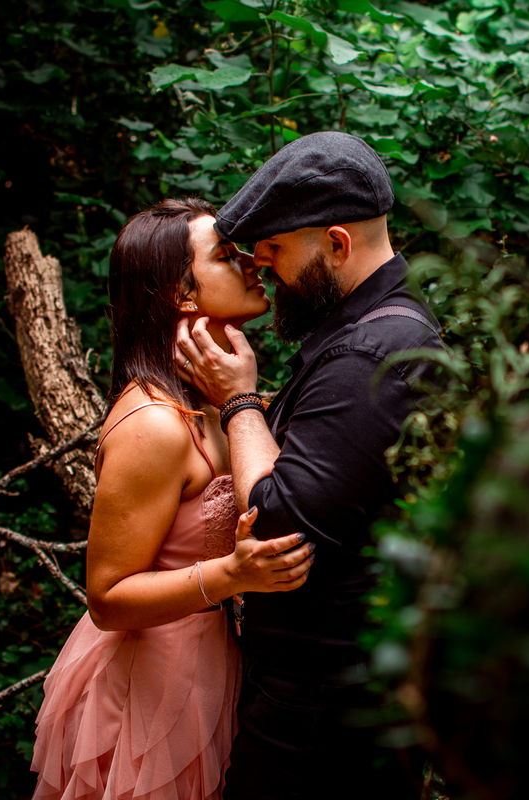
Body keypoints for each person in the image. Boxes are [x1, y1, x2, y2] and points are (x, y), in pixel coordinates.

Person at [175, 132, 443, 800]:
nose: (261, 264)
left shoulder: (369, 355)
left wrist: (238, 400)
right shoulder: (376, 329)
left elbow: (276, 522)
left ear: (337, 244)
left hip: (322, 718)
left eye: (274, 248)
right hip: (329, 695)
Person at [30, 198, 316, 800]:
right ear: (182, 295)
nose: (252, 262)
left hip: (213, 667)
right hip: (151, 690)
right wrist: (233, 574)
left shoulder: (217, 398)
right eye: (226, 255)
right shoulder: (155, 424)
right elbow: (107, 598)